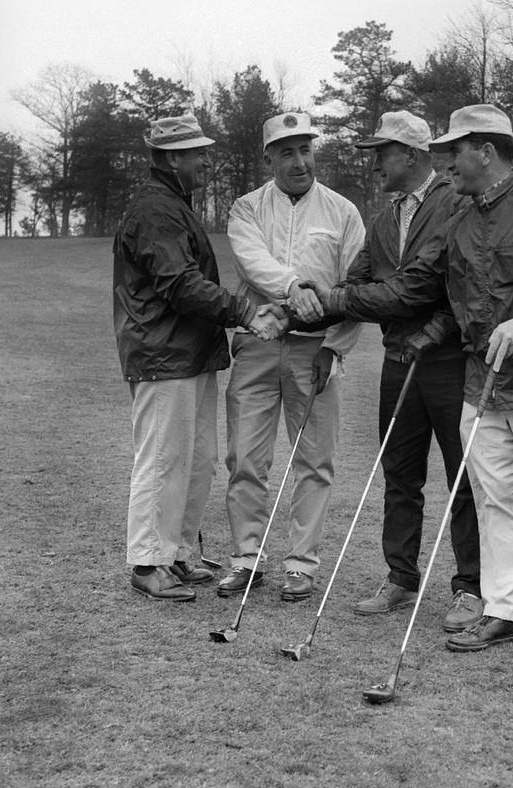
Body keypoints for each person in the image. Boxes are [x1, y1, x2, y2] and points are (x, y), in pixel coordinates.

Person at [321, 104, 513, 670]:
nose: (445, 161)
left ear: (487, 151)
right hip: (482, 388)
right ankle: (504, 612)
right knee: (498, 505)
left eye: (455, 150)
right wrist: (430, 330)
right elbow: (441, 295)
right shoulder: (459, 221)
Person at [328, 111, 483, 632]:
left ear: (411, 156)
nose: (374, 164)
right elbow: (360, 280)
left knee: (462, 478)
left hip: (447, 362)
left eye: (382, 153)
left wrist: (345, 300)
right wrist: (326, 301)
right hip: (399, 362)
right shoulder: (384, 215)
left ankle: (471, 588)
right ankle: (400, 576)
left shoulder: (455, 203)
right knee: (399, 473)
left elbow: (435, 286)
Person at [113, 113, 269, 602]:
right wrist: (244, 310)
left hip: (188, 354)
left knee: (195, 459)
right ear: (173, 158)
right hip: (164, 355)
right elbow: (180, 284)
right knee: (163, 459)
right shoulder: (156, 210)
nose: (206, 159)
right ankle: (147, 563)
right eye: (197, 152)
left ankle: (177, 554)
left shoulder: (172, 205)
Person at [218, 111, 364, 603]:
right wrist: (293, 286)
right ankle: (246, 559)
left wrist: (335, 346)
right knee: (245, 458)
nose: (300, 161)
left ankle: (301, 565)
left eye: (306, 149)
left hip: (315, 352)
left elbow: (355, 288)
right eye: (287, 151)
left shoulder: (343, 211)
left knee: (314, 461)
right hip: (257, 344)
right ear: (269, 158)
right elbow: (251, 260)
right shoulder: (245, 208)